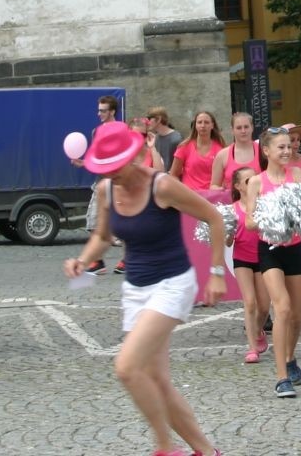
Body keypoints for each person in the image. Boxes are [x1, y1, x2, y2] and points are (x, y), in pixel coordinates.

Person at [63, 120, 228, 456]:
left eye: (115, 166)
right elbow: (103, 236)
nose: (110, 174)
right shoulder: (106, 190)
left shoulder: (162, 186)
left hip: (172, 283)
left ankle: (165, 447)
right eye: (104, 168)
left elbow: (214, 217)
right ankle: (206, 451)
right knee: (156, 381)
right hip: (136, 289)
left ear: (133, 156)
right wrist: (83, 260)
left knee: (127, 367)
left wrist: (216, 272)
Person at [241, 126, 301, 398]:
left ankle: (290, 357)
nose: (286, 151)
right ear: (266, 151)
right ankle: (282, 378)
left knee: (295, 316)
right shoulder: (256, 182)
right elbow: (249, 221)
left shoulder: (297, 175)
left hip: (293, 248)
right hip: (269, 249)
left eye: (288, 146)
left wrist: (299, 217)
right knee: (282, 308)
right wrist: (273, 217)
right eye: (280, 147)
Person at [69, 94, 122, 275]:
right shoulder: (96, 132)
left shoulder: (122, 130)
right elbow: (96, 160)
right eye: (98, 110)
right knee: (93, 222)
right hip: (101, 183)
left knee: (126, 223)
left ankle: (130, 259)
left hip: (119, 183)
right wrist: (83, 163)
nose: (99, 114)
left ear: (112, 111)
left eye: (103, 111)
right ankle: (98, 263)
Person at [226, 168, 270, 364]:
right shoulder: (232, 210)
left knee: (264, 307)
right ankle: (252, 348)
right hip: (242, 259)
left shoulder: (262, 205)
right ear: (238, 186)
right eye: (247, 180)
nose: (252, 182)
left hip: (262, 257)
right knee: (250, 302)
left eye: (255, 178)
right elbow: (228, 243)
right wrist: (228, 232)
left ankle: (258, 331)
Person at [171, 109, 224, 192]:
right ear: (195, 125)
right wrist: (181, 191)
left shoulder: (221, 149)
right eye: (199, 122)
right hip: (190, 195)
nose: (203, 125)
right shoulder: (184, 147)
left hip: (212, 195)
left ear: (212, 125)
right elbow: (173, 175)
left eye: (206, 122)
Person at [211, 112, 260, 191]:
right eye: (239, 128)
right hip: (231, 198)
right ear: (232, 130)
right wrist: (222, 190)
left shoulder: (264, 152)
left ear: (252, 128)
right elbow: (214, 186)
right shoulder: (222, 155)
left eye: (246, 127)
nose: (243, 131)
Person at [147, 107, 181, 173]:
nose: (148, 122)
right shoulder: (155, 139)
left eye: (149, 118)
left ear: (158, 119)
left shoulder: (176, 138)